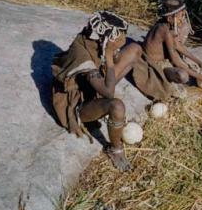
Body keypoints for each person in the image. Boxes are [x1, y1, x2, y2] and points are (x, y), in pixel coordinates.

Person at [51, 10, 142, 172]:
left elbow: (111, 58)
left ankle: (105, 104)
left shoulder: (97, 40)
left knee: (134, 49)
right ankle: (114, 149)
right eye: (118, 37)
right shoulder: (83, 56)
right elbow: (109, 94)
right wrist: (108, 56)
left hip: (97, 83)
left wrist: (111, 53)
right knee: (116, 106)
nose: (122, 39)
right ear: (106, 38)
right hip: (79, 102)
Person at [132, 0, 202, 100]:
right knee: (183, 76)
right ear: (170, 18)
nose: (183, 18)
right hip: (155, 64)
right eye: (181, 15)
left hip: (160, 58)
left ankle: (182, 73)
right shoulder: (164, 30)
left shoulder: (165, 25)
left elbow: (178, 45)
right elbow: (175, 60)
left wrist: (200, 63)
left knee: (187, 68)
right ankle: (167, 80)